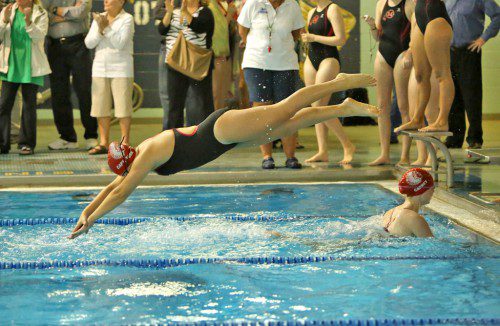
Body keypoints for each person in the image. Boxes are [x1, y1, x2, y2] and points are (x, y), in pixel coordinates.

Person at [68, 73, 379, 238]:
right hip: (223, 140)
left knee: (284, 110)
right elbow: (113, 186)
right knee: (286, 126)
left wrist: (93, 220)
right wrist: (86, 213)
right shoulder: (136, 160)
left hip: (219, 129)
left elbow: (121, 192)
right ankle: (343, 107)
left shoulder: (147, 154)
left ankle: (338, 84)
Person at [237, 0, 304, 169]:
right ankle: (267, 156)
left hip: (285, 64)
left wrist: (279, 46)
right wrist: (259, 47)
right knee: (261, 109)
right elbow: (242, 30)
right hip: (256, 63)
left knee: (287, 109)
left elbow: (296, 34)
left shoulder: (292, 5)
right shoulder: (253, 3)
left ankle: (291, 156)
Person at [301, 0, 355, 165]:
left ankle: (348, 145)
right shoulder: (311, 13)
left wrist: (313, 37)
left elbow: (340, 39)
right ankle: (322, 151)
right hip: (312, 58)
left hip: (329, 59)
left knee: (319, 108)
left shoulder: (332, 9)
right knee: (314, 107)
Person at [42, 0, 99, 151]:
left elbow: (81, 12)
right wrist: (69, 13)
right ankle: (67, 137)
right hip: (54, 46)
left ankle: (91, 135)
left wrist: (54, 10)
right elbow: (42, 15)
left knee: (84, 90)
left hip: (78, 44)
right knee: (59, 92)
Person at [364, 0, 414, 166]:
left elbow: (417, 31)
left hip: (402, 54)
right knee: (382, 106)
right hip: (383, 55)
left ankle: (405, 156)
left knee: (403, 106)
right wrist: (372, 26)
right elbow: (378, 36)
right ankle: (384, 154)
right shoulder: (381, 4)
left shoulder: (409, 4)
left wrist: (411, 52)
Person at [444, 0, 499, 149]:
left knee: (471, 96)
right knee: (452, 96)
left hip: (469, 51)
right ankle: (455, 138)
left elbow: (497, 15)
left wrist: (484, 38)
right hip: (449, 52)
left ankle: (475, 138)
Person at [0, 0, 51, 155]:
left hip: (31, 66)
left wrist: (28, 20)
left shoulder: (41, 13)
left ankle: (26, 144)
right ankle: (2, 144)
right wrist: (4, 20)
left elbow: (39, 37)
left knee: (29, 106)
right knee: (4, 105)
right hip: (11, 64)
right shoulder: (7, 10)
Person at [395, 0, 454, 133]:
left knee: (441, 74)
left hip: (436, 16)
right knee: (420, 76)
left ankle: (442, 121)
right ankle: (417, 119)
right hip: (419, 15)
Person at [84, 0, 134, 154]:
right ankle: (104, 142)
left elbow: (120, 43)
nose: (105, 1)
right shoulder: (99, 18)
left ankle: (125, 142)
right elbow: (89, 43)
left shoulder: (127, 19)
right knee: (101, 108)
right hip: (100, 68)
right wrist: (100, 30)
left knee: (123, 108)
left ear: (120, 2)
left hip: (121, 68)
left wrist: (105, 28)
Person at [158, 0, 215, 129]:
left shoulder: (205, 12)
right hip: (175, 64)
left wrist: (185, 12)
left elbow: (200, 27)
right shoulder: (174, 12)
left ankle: (204, 137)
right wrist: (169, 12)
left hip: (198, 65)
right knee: (174, 104)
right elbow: (162, 29)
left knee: (202, 103)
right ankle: (172, 139)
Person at [381, 167, 434, 237]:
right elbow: (433, 244)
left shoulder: (389, 213)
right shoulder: (415, 219)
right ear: (422, 190)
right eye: (432, 188)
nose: (433, 191)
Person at [208, 0, 236, 110]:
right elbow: (218, 32)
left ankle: (218, 123)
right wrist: (229, 15)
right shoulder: (210, 6)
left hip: (225, 56)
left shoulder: (219, 6)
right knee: (217, 96)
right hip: (216, 57)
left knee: (223, 96)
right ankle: (213, 124)